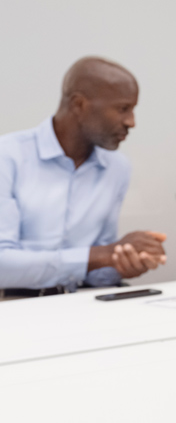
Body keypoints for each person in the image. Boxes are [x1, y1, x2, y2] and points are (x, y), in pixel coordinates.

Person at [0, 57, 167, 297]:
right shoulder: (7, 156)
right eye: (123, 109)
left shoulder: (116, 167)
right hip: (11, 305)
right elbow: (2, 265)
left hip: (80, 303)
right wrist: (101, 255)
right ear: (79, 104)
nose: (131, 122)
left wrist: (122, 263)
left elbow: (95, 273)